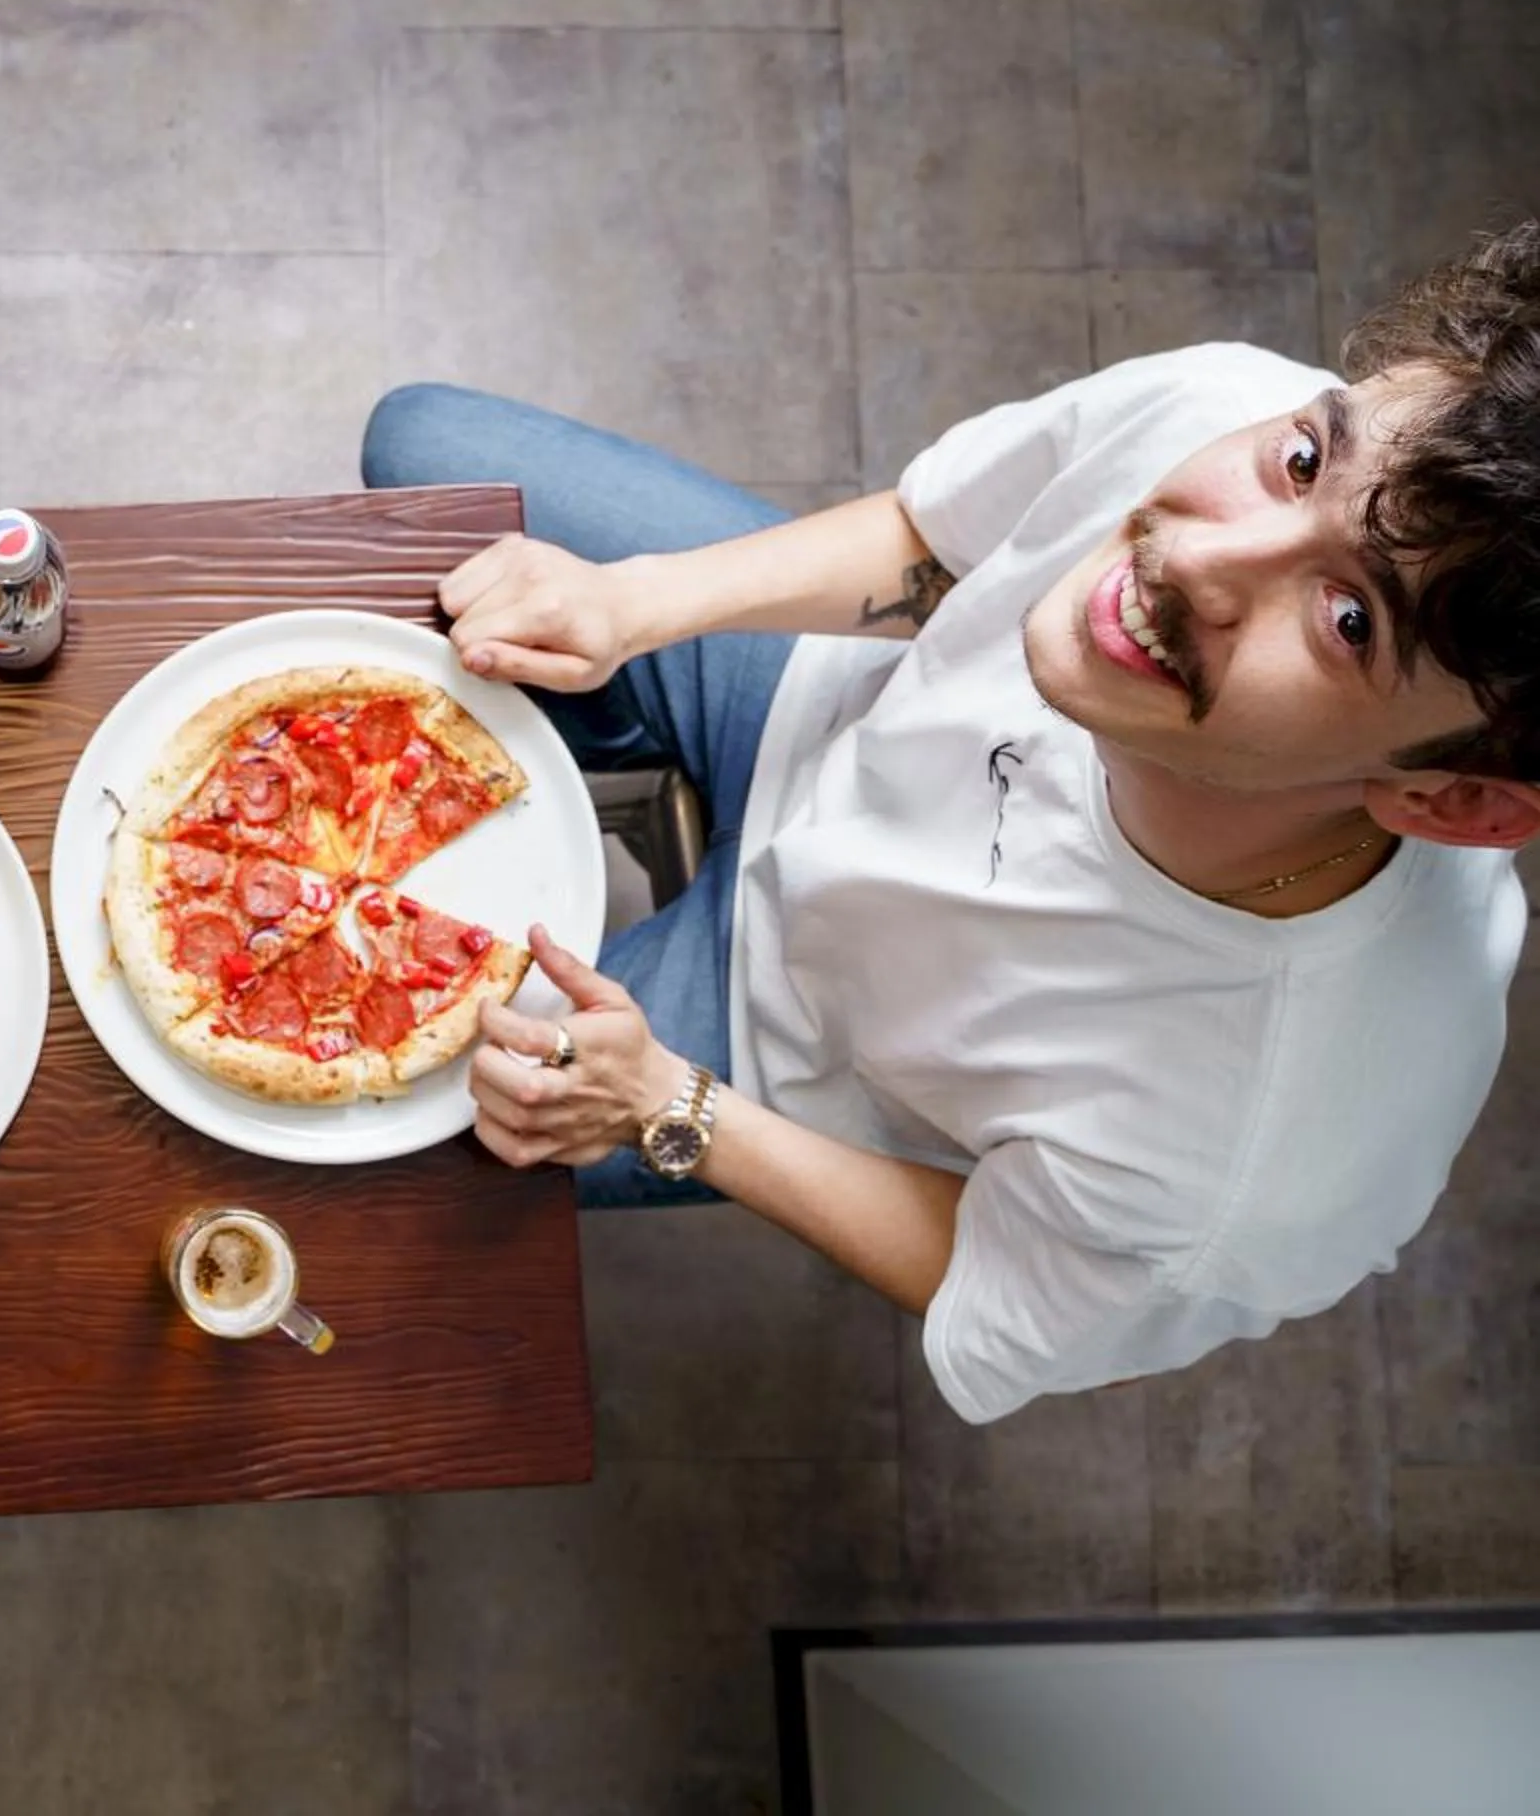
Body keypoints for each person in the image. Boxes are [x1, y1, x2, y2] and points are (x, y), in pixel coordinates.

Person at [364, 222, 1540, 1423]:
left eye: (1349, 620)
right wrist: (633, 601)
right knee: (422, 453)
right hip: (811, 696)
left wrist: (670, 1108)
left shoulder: (1263, 1164)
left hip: (770, 1043)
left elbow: (991, 1280)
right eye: (1303, 459)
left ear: (1452, 798)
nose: (1195, 553)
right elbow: (940, 542)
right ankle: (553, 754)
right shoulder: (1236, 407)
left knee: (355, 1136)